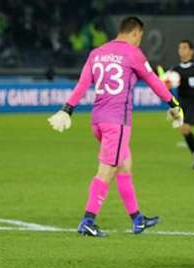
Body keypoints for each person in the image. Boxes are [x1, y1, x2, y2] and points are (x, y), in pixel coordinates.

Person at [47, 16, 183, 237]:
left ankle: (137, 219)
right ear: (136, 33)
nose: (140, 40)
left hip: (98, 121)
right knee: (107, 170)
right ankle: (88, 221)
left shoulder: (97, 53)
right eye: (140, 36)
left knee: (125, 165)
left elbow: (82, 84)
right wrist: (173, 103)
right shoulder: (132, 53)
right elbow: (153, 81)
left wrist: (67, 109)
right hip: (117, 122)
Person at [169, 40, 194, 169]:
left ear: (191, 51)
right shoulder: (175, 70)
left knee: (185, 128)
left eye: (185, 48)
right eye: (180, 48)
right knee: (183, 130)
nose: (182, 50)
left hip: (193, 103)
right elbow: (166, 85)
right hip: (181, 103)